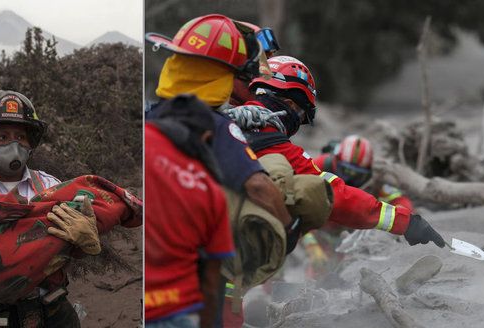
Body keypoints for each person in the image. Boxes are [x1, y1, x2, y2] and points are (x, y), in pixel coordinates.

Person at [146, 14, 294, 328]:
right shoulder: (218, 129)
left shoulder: (149, 116)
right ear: (225, 76)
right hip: (180, 298)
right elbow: (258, 187)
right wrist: (285, 229)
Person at [227, 55, 446, 250]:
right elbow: (333, 195)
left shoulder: (217, 114)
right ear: (290, 105)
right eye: (301, 114)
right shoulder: (280, 147)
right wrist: (406, 223)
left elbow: (398, 197)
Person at [0, 90, 101, 327]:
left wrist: (85, 242)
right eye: (2, 137)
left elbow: (67, 243)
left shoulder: (52, 187)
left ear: (30, 143)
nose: (13, 144)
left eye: (20, 136)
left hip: (49, 311)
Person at [145, 94, 235, 328]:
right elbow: (212, 280)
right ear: (205, 137)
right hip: (177, 310)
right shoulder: (211, 188)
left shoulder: (144, 139)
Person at [303, 135, 414, 277]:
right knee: (319, 264)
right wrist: (311, 245)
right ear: (337, 160)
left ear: (368, 169)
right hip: (318, 226)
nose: (351, 178)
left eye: (358, 174)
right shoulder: (319, 166)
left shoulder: (376, 176)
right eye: (347, 171)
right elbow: (296, 208)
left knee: (354, 263)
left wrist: (403, 219)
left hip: (353, 230)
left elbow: (399, 200)